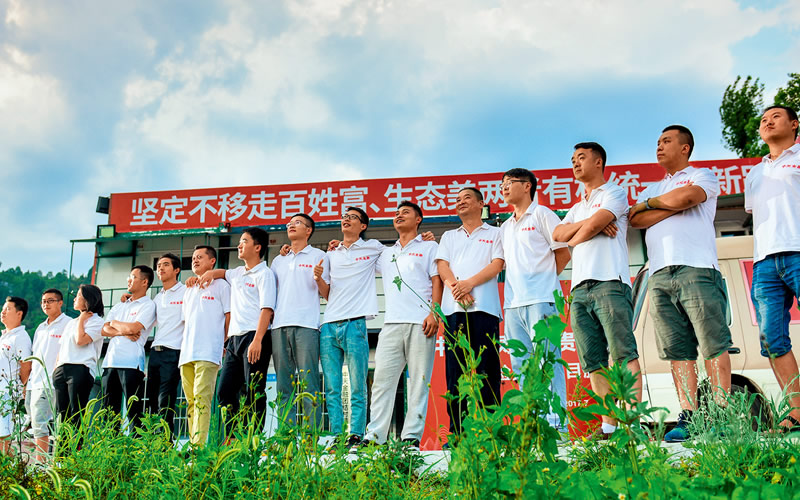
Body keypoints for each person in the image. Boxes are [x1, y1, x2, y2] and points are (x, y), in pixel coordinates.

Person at [629, 125, 732, 442]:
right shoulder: (654, 187)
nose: (659, 146)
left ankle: (721, 414)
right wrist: (666, 204)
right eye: (658, 141)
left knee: (713, 343)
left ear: (685, 148)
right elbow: (636, 219)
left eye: (667, 141)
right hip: (660, 273)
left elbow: (688, 196)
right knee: (677, 350)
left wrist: (654, 205)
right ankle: (689, 416)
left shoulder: (702, 176)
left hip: (697, 268)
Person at [553, 143, 642, 438]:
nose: (575, 163)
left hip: (610, 282)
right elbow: (558, 234)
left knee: (623, 354)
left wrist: (586, 229)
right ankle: (608, 426)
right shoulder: (578, 206)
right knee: (593, 362)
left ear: (598, 161)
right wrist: (589, 223)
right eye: (572, 159)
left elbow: (581, 233)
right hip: (579, 288)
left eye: (581, 158)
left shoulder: (613, 193)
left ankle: (631, 424)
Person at [362, 201, 443, 449]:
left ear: (418, 219)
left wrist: (435, 313)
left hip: (421, 322)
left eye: (405, 213)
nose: (399, 216)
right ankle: (375, 436)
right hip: (391, 324)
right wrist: (337, 245)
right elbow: (357, 254)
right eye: (396, 213)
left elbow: (437, 281)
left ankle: (411, 437)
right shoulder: (386, 253)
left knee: (419, 381)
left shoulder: (429, 247)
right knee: (382, 382)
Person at [500, 168, 571, 429]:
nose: (504, 188)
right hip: (513, 305)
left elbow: (563, 253)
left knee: (547, 360)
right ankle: (535, 422)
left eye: (509, 183)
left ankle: (556, 425)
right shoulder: (505, 226)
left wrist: (543, 281)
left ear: (527, 185)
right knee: (522, 364)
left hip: (541, 300)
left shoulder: (542, 214)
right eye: (502, 184)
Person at [744, 105, 800, 432]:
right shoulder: (755, 173)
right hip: (765, 261)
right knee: (771, 338)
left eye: (775, 117)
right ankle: (796, 411)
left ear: (794, 124)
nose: (767, 121)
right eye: (764, 120)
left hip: (798, 251)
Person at [435, 187, 504, 436]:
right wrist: (457, 288)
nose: (460, 202)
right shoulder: (449, 236)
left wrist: (469, 284)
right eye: (457, 199)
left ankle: (490, 432)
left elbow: (497, 264)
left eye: (466, 198)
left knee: (488, 371)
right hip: (454, 311)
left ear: (480, 204)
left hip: (485, 309)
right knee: (455, 373)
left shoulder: (495, 233)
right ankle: (457, 433)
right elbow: (442, 266)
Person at [194, 228, 276, 436]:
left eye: (244, 241)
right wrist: (211, 273)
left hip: (255, 337)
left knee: (253, 391)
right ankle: (232, 438)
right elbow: (223, 273)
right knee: (225, 392)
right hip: (234, 340)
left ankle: (253, 439)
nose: (239, 245)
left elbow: (266, 309)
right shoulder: (237, 272)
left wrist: (257, 340)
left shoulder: (264, 274)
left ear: (257, 247)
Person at [320, 207, 385, 447]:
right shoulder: (331, 254)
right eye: (344, 217)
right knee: (332, 387)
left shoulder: (373, 248)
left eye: (352, 217)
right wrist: (317, 278)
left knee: (358, 384)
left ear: (363, 226)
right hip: (329, 325)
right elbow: (326, 293)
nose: (346, 220)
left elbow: (400, 253)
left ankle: (356, 433)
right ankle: (336, 435)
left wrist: (425, 238)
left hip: (355, 324)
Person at [270, 214, 328, 431]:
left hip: (307, 326)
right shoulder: (279, 260)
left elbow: (327, 293)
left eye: (297, 223)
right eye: (289, 223)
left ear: (309, 230)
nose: (291, 226)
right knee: (284, 387)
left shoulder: (319, 256)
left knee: (309, 385)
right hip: (279, 326)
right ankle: (285, 437)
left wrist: (318, 278)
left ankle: (311, 438)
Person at [180, 245, 231, 446]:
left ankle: (198, 447)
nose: (195, 260)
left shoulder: (222, 286)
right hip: (186, 353)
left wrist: (224, 342)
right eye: (193, 257)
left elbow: (229, 316)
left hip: (208, 351)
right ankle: (193, 442)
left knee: (202, 399)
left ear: (212, 261)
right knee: (191, 402)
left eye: (200, 257)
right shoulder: (189, 289)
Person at [101, 265, 156, 431]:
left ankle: (135, 445)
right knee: (109, 412)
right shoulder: (120, 305)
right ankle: (111, 445)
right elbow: (104, 329)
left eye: (133, 277)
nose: (128, 280)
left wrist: (114, 323)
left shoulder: (148, 305)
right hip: (110, 362)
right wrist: (122, 331)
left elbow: (134, 328)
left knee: (134, 411)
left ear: (145, 282)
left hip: (131, 363)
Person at [53, 285, 105, 426]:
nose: (74, 299)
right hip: (62, 368)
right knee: (61, 416)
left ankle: (78, 441)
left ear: (88, 299)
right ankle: (63, 442)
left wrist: (82, 320)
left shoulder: (97, 321)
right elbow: (62, 347)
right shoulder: (71, 323)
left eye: (78, 295)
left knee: (77, 414)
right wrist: (56, 370)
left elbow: (80, 340)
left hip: (81, 368)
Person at [26, 289, 69, 460]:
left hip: (52, 381)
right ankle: (42, 463)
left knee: (44, 425)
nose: (46, 304)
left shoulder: (68, 323)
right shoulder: (40, 327)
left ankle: (41, 464)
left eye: (50, 300)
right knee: (36, 424)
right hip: (35, 382)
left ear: (60, 303)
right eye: (43, 301)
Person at [147, 253, 186, 435]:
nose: (160, 268)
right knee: (151, 400)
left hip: (174, 351)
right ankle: (151, 442)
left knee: (166, 400)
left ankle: (165, 442)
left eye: (165, 265)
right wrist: (129, 299)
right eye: (158, 265)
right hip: (155, 352)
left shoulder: (186, 291)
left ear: (176, 270)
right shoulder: (157, 297)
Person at [0, 297, 32, 453]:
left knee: (3, 435)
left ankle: (7, 465)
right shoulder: (5, 336)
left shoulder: (21, 337)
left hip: (8, 394)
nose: (3, 312)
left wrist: (23, 390)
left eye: (7, 309)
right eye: (3, 309)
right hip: (1, 392)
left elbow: (25, 365)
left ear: (19, 314)